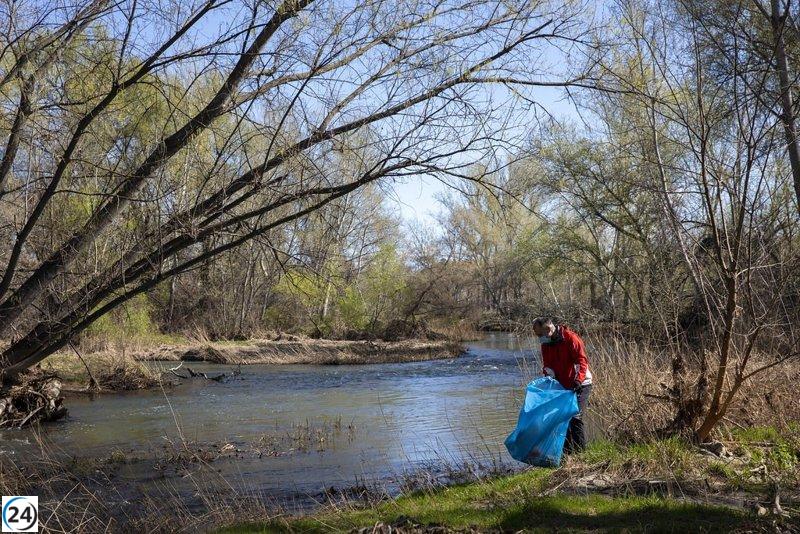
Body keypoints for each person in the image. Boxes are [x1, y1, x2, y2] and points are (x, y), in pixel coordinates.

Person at [532, 316, 593, 453]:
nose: (539, 338)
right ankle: (566, 455)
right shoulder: (545, 344)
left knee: (575, 417)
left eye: (539, 334)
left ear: (548, 329)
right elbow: (548, 366)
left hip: (581, 384)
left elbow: (581, 362)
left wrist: (578, 380)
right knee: (561, 419)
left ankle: (581, 454)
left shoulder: (571, 338)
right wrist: (548, 380)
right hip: (562, 386)